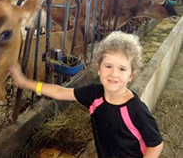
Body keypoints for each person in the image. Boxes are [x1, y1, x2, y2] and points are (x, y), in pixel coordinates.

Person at [9, 31, 163, 158]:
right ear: (98, 68)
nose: (113, 74)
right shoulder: (94, 94)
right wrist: (24, 82)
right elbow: (60, 91)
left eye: (122, 69)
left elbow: (156, 144)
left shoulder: (136, 109)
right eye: (108, 66)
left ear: (132, 75)